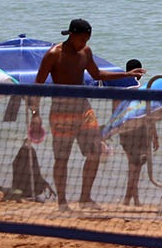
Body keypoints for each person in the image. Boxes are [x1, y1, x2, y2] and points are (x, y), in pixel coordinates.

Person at [32, 19, 144, 210]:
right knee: (62, 158)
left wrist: (126, 75)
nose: (83, 43)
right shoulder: (53, 55)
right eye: (81, 39)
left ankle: (85, 197)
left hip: (84, 108)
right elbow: (37, 86)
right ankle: (62, 202)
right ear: (71, 35)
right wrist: (35, 113)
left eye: (87, 39)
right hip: (61, 111)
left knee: (95, 151)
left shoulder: (86, 52)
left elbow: (97, 74)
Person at [118, 60, 159, 206]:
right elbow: (149, 113)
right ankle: (129, 199)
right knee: (135, 167)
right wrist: (155, 135)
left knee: (134, 166)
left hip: (127, 132)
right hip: (139, 132)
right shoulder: (140, 89)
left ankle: (132, 198)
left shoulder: (121, 88)